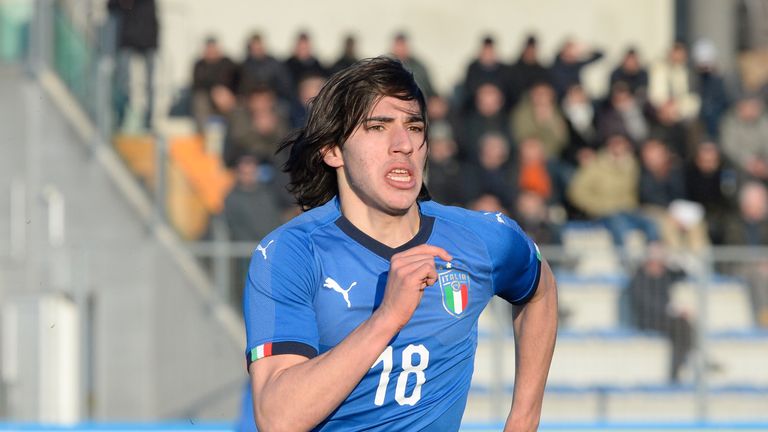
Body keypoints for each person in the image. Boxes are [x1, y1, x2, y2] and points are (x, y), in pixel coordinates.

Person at [243, 57, 558, 431]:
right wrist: (388, 317)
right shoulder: (290, 253)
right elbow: (277, 418)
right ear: (333, 150)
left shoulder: (480, 238)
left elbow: (540, 291)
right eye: (378, 126)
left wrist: (524, 419)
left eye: (414, 126)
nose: (403, 144)